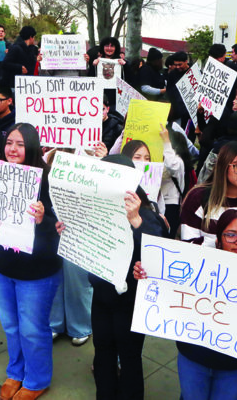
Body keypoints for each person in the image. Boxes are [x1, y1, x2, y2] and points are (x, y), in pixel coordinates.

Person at [135, 209, 237, 400]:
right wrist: (147, 273)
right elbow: (165, 279)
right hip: (194, 358)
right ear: (218, 241)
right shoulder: (196, 265)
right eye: (231, 235)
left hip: (236, 364)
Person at [73, 154, 168, 400]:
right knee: (102, 352)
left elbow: (158, 249)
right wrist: (68, 230)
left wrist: (135, 219)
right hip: (102, 297)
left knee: (129, 357)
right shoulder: (94, 209)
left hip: (131, 302)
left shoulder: (146, 214)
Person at [0, 123, 62, 400]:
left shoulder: (49, 179)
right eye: (9, 142)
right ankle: (16, 371)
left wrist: (45, 219)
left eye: (20, 144)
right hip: (3, 266)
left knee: (32, 329)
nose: (12, 149)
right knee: (10, 324)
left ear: (31, 146)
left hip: (37, 272)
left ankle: (37, 379)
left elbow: (63, 227)